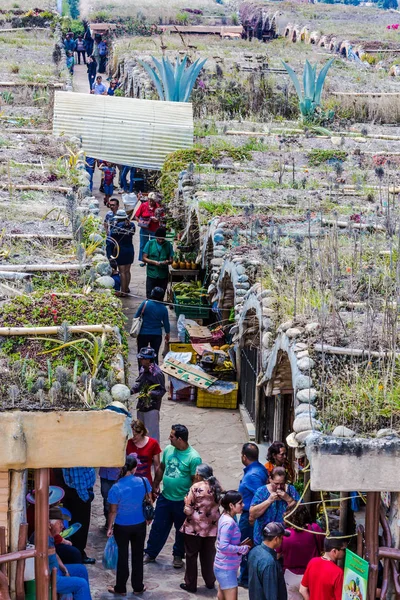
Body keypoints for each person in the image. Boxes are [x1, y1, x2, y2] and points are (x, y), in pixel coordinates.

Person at [144, 424, 202, 568]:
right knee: (158, 526)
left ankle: (178, 555)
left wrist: (190, 501)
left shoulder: (193, 458)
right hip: (165, 497)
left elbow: (195, 481)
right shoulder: (169, 450)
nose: (169, 438)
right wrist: (156, 484)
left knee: (181, 530)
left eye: (171, 436)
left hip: (181, 500)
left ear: (180, 439)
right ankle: (150, 552)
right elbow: (162, 467)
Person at [107, 455, 152, 596]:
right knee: (138, 555)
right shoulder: (143, 482)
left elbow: (113, 511)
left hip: (122, 526)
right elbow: (148, 500)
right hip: (139, 524)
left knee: (122, 557)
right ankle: (138, 586)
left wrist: (109, 527)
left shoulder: (115, 488)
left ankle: (120, 588)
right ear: (134, 468)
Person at [180, 463, 222, 593]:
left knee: (191, 556)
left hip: (194, 528)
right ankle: (210, 581)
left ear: (198, 474)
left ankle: (190, 584)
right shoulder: (217, 487)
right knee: (208, 555)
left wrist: (185, 502)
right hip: (212, 527)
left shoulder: (196, 488)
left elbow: (188, 510)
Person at [238, 443, 269, 588]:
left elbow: (260, 496)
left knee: (246, 545)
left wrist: (252, 517)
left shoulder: (252, 475)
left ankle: (245, 577)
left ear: (244, 457)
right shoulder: (259, 469)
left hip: (250, 516)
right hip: (249, 513)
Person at [279, 505, 324, 600]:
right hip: (312, 575)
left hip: (291, 575)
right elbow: (323, 547)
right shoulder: (315, 529)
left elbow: (277, 555)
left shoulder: (285, 535)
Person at [213, 490, 251, 600]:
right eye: (240, 503)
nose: (243, 505)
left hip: (225, 566)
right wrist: (242, 548)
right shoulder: (228, 523)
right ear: (231, 505)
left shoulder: (225, 517)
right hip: (226, 568)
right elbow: (223, 546)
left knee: (221, 596)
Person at [249, 467, 300, 546]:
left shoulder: (291, 490)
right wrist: (268, 501)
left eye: (282, 484)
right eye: (276, 484)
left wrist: (288, 499)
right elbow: (252, 514)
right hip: (263, 539)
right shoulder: (261, 491)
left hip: (284, 539)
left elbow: (301, 512)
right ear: (270, 479)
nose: (279, 487)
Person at [47, 512, 92, 600]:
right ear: (49, 524)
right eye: (60, 523)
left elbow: (54, 554)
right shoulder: (43, 538)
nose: (62, 527)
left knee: (81, 569)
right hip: (51, 577)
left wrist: (64, 569)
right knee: (81, 584)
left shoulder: (50, 535)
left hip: (56, 571)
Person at [61, 467, 96, 564]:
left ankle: (76, 552)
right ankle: (78, 555)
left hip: (76, 492)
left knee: (75, 523)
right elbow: (78, 480)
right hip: (78, 493)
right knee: (80, 525)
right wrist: (85, 497)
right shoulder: (76, 460)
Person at [130, 347, 166, 441]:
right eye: (140, 358)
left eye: (143, 358)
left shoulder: (157, 373)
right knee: (140, 431)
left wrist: (150, 393)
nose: (141, 360)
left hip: (152, 408)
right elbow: (140, 383)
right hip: (141, 406)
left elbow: (162, 391)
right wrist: (131, 391)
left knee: (151, 433)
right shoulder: (143, 369)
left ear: (148, 359)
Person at [248, 522, 289, 600]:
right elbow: (271, 594)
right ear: (276, 539)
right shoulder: (269, 562)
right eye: (282, 538)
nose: (282, 541)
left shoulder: (254, 551)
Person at [299, 532, 346, 600]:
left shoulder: (312, 562)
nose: (345, 552)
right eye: (343, 549)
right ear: (334, 551)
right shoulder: (338, 572)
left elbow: (302, 589)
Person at [135, 286, 170, 364]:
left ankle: (142, 374)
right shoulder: (163, 308)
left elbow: (136, 316)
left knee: (141, 356)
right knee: (154, 355)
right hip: (156, 335)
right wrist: (167, 334)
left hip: (143, 334)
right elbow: (166, 323)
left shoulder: (145, 303)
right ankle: (154, 374)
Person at [106, 209, 135, 296]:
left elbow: (110, 240)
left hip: (120, 250)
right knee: (127, 271)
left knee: (122, 271)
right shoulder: (132, 225)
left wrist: (109, 254)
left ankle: (123, 292)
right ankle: (126, 288)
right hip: (129, 249)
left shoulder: (115, 227)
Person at [126, 419, 161, 486]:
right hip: (130, 483)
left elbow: (157, 465)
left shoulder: (153, 444)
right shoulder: (128, 443)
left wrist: (156, 484)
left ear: (141, 432)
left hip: (146, 482)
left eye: (135, 435)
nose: (132, 438)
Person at [143, 227, 174, 299]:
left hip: (163, 275)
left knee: (160, 296)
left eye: (162, 239)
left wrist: (167, 262)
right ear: (156, 237)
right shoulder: (150, 243)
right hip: (152, 274)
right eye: (159, 239)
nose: (160, 241)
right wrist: (153, 262)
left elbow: (171, 260)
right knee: (150, 295)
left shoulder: (168, 245)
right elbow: (144, 258)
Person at [134, 192, 161, 263]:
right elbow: (136, 216)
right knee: (143, 244)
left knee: (153, 244)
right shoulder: (143, 205)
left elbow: (162, 217)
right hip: (144, 228)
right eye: (150, 200)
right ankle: (143, 260)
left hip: (154, 229)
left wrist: (157, 219)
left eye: (153, 201)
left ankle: (152, 259)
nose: (151, 202)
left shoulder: (158, 207)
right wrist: (140, 222)